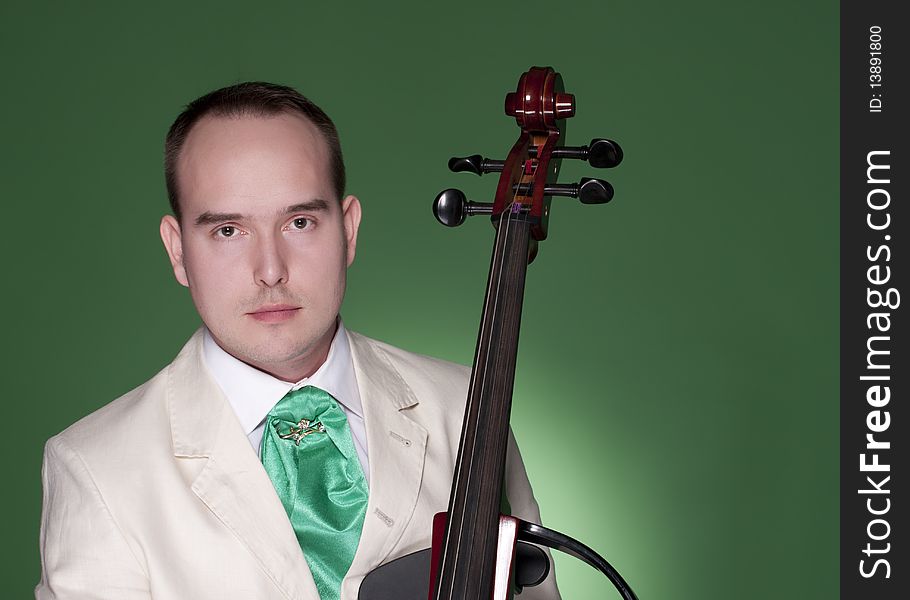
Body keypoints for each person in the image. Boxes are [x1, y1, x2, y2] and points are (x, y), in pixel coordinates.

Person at [35, 82, 558, 600]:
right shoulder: (95, 466)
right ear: (177, 250)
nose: (269, 271)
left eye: (300, 221)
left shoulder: (465, 404)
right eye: (227, 231)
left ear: (348, 230)